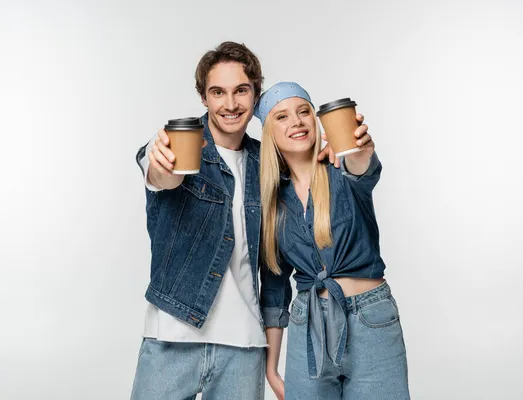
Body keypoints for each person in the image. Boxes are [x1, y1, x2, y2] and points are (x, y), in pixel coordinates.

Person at [130, 43, 336, 400]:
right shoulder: (175, 142)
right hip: (172, 339)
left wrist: (272, 364)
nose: (229, 104)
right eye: (217, 93)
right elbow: (159, 174)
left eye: (241, 90)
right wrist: (162, 166)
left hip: (244, 348)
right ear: (203, 98)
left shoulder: (269, 165)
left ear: (255, 95)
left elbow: (275, 272)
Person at [257, 82, 410, 399]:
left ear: (315, 119)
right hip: (307, 325)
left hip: (371, 320)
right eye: (282, 117)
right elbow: (274, 286)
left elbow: (363, 169)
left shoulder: (340, 164)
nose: (297, 122)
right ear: (268, 132)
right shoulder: (270, 203)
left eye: (303, 112)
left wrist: (361, 150)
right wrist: (271, 369)